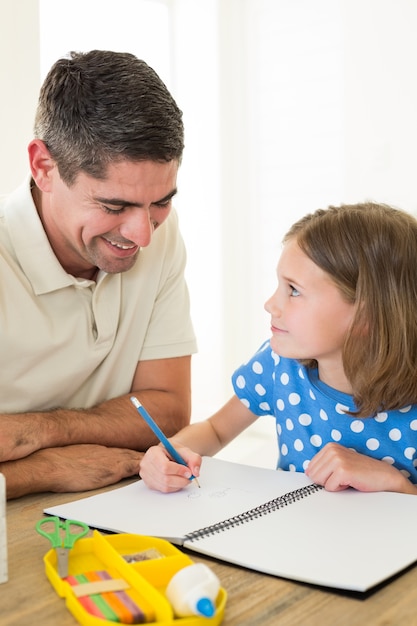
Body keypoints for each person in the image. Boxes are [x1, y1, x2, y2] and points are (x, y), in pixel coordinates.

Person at [0, 50, 197, 499]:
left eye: (162, 201)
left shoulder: (156, 233)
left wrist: (39, 432)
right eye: (114, 206)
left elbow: (167, 408)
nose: (143, 236)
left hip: (118, 494)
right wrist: (47, 469)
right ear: (43, 168)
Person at [140, 202, 417, 496]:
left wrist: (395, 484)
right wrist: (167, 454)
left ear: (366, 316)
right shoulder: (279, 365)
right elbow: (215, 430)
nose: (271, 304)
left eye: (294, 290)